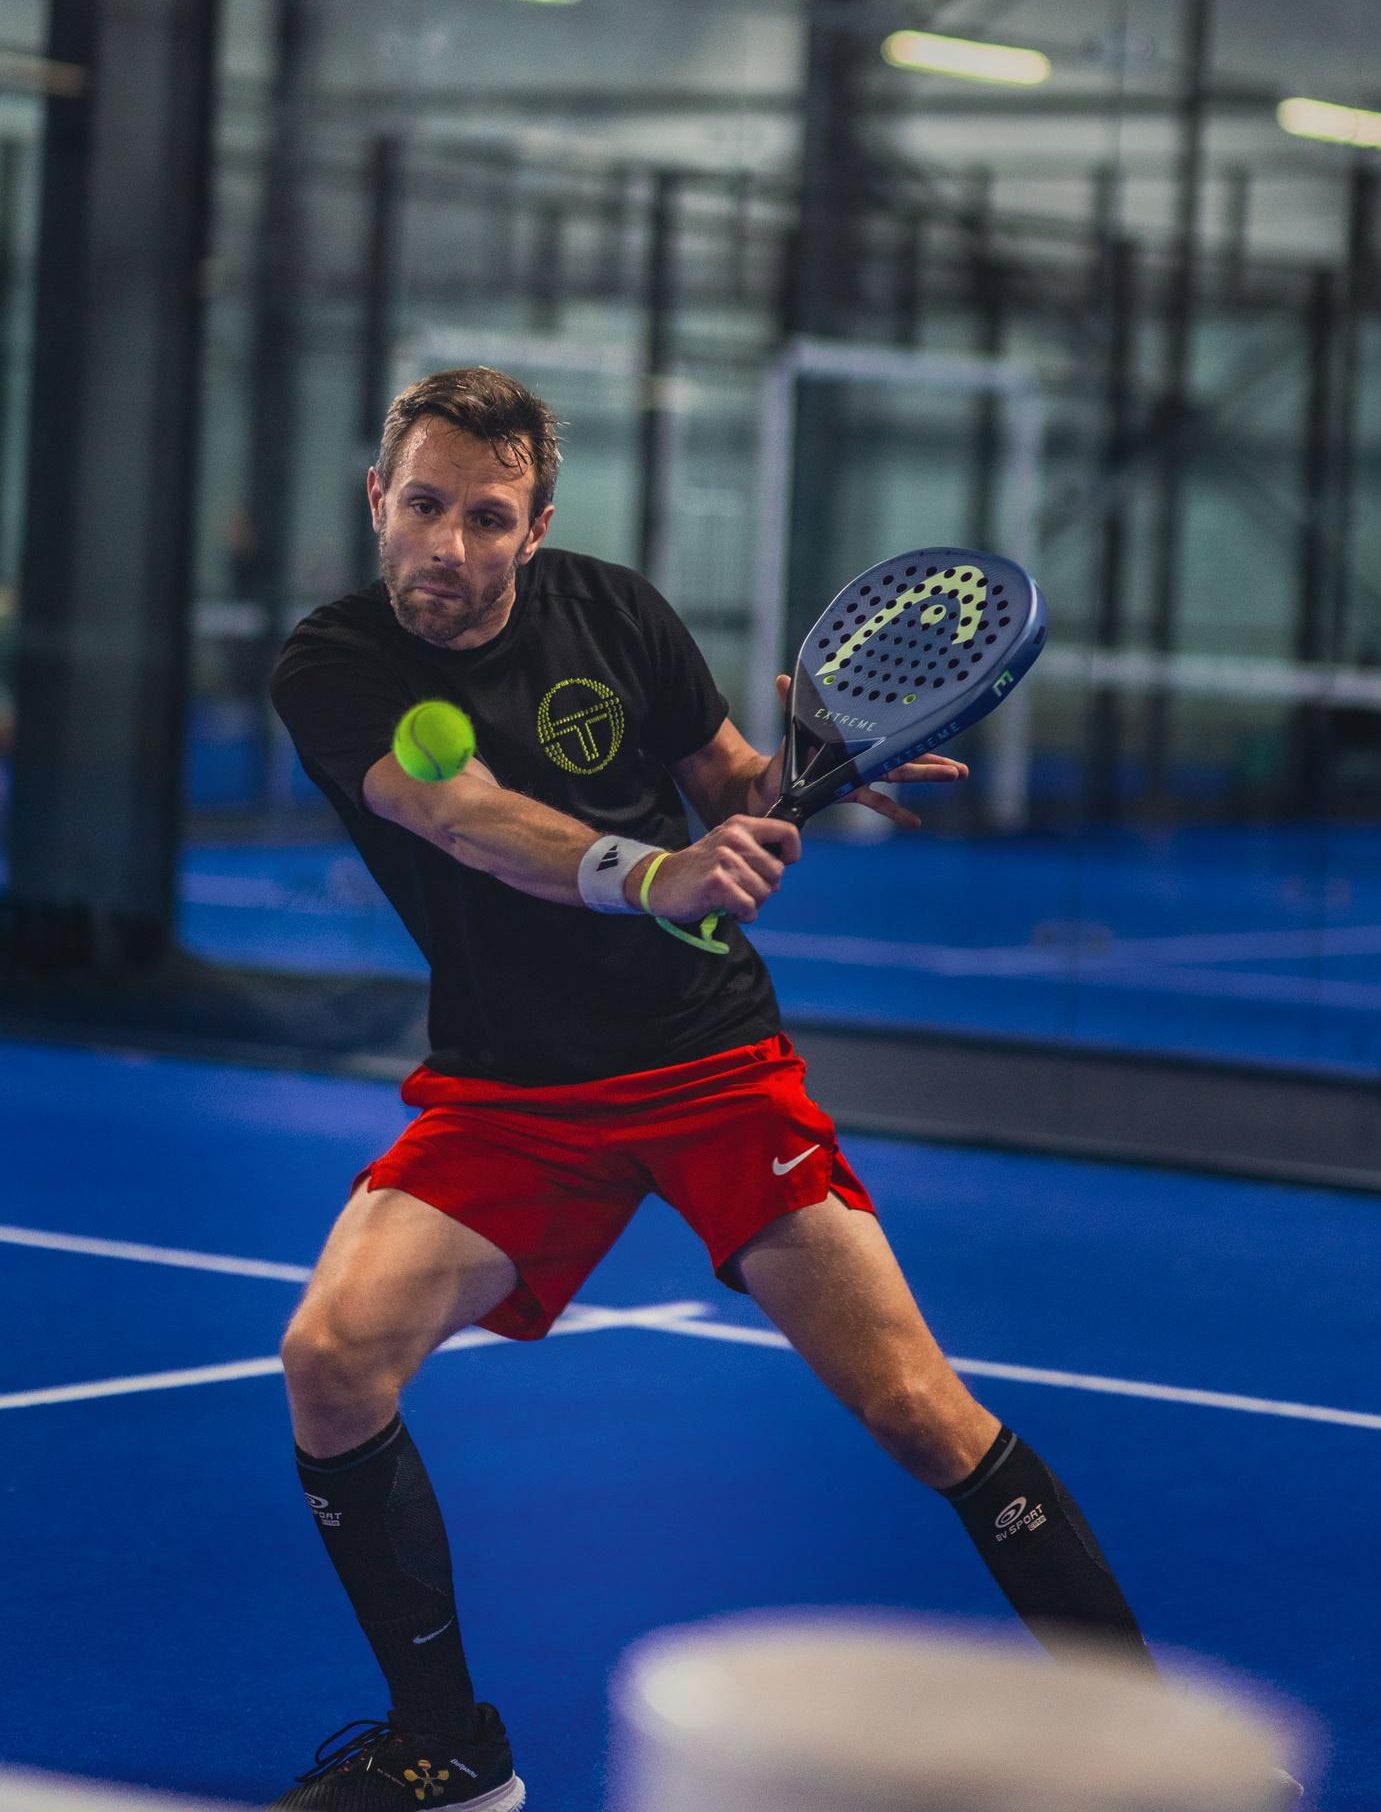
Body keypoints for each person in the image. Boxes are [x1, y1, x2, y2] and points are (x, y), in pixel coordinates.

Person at [265, 365, 1159, 1812]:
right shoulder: (334, 663)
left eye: (487, 518)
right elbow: (462, 817)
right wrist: (656, 875)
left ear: (535, 527)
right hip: (510, 1091)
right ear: (378, 499)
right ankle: (450, 1747)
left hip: (707, 1064)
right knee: (330, 1358)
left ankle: (1149, 1748)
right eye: (422, 506)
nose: (448, 544)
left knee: (917, 1410)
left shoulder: (616, 612)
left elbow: (731, 777)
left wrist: (797, 780)